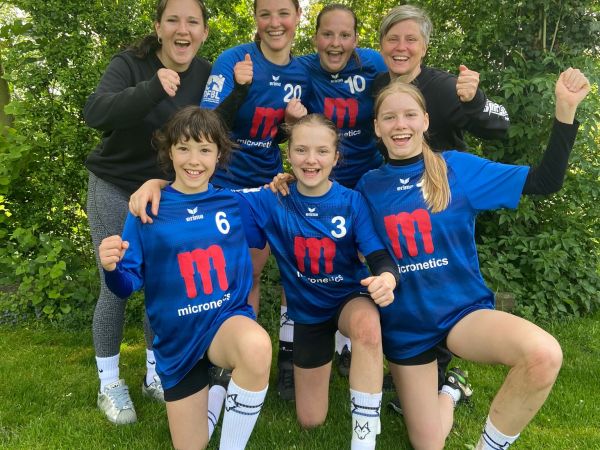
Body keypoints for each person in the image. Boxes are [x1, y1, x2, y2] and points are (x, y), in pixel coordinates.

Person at [131, 113, 399, 449]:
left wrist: (387, 277)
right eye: (301, 150)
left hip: (347, 300)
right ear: (289, 154)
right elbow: (200, 195)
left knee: (367, 324)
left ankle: (364, 439)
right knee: (310, 419)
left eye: (321, 151)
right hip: (308, 315)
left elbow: (379, 255)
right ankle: (217, 397)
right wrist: (155, 184)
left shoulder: (351, 200)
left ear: (335, 157)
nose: (311, 159)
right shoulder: (271, 198)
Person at [355, 68, 589, 449]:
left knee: (544, 354)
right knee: (428, 444)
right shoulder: (367, 187)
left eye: (410, 115)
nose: (401, 125)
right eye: (389, 117)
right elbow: (335, 226)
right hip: (407, 327)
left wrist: (565, 110)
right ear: (377, 127)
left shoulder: (457, 169)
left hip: (461, 314)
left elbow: (545, 181)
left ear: (425, 121)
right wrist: (284, 185)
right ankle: (451, 390)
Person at [83, 0, 247, 424]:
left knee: (166, 283)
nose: (182, 29)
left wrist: (239, 91)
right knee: (115, 281)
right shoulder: (130, 64)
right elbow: (95, 113)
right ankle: (109, 383)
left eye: (193, 22)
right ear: (158, 27)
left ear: (204, 32)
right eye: (173, 20)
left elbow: (211, 128)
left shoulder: (208, 72)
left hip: (167, 194)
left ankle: (155, 374)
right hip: (116, 186)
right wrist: (154, 87)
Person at [99, 106, 271, 449]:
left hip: (224, 323)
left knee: (256, 346)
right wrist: (112, 268)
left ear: (219, 154)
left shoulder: (236, 204)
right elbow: (126, 286)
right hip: (177, 342)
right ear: (170, 152)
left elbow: (297, 196)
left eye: (205, 149)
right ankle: (217, 392)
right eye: (184, 148)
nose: (194, 160)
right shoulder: (148, 209)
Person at [373, 4, 512, 408]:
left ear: (425, 46)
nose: (401, 47)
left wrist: (476, 100)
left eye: (411, 39)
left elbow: (500, 126)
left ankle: (441, 376)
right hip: (395, 200)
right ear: (381, 45)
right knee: (405, 282)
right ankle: (415, 370)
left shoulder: (446, 87)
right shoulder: (378, 85)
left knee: (439, 283)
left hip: (443, 202)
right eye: (393, 39)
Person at [199, 0, 310, 400]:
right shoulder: (234, 60)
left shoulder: (304, 71)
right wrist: (241, 89)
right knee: (227, 274)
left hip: (267, 185)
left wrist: (291, 125)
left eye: (283, 13)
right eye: (265, 14)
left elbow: (284, 134)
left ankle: (280, 360)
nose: (274, 22)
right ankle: (222, 358)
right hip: (222, 182)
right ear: (255, 19)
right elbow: (205, 125)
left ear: (298, 16)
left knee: (257, 272)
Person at [283, 3, 388, 382]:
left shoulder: (375, 63)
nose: (335, 42)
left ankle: (347, 345)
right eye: (327, 34)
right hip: (318, 177)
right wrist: (288, 121)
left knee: (358, 254)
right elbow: (284, 129)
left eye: (344, 35)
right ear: (315, 38)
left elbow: (406, 92)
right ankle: (289, 349)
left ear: (356, 39)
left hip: (365, 178)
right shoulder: (301, 68)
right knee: (302, 254)